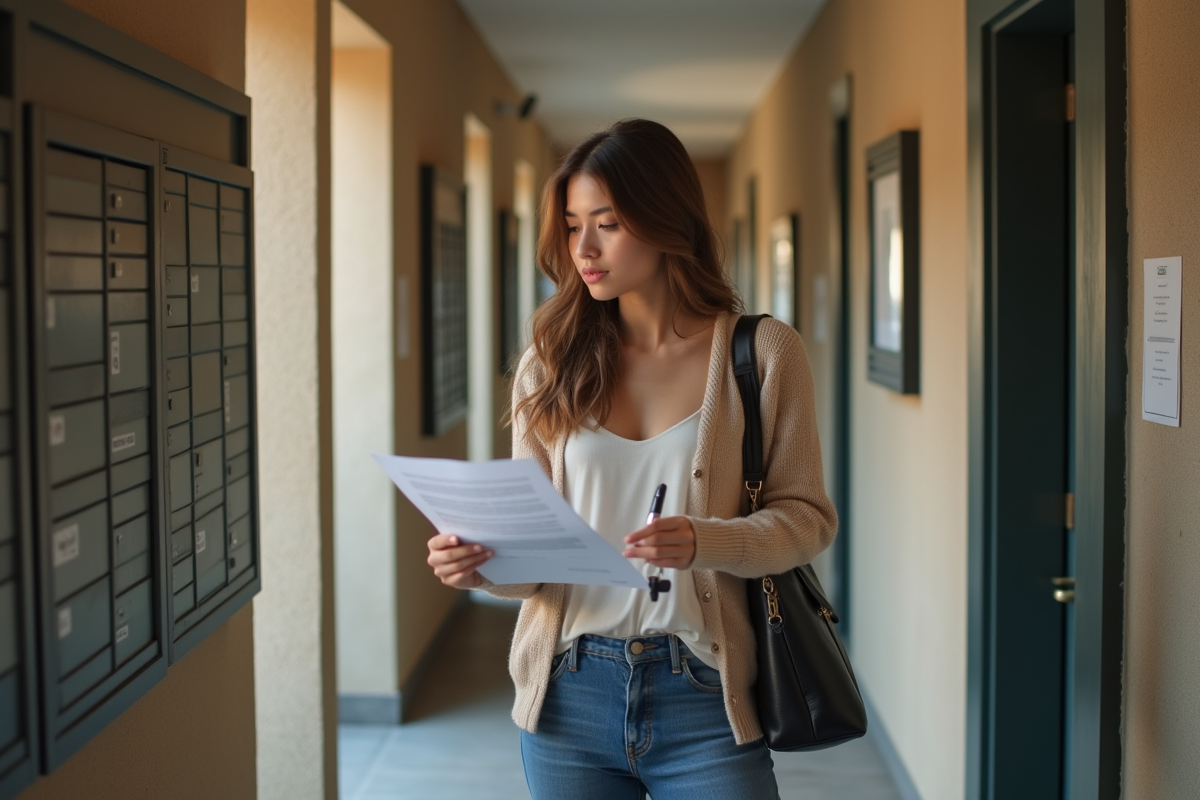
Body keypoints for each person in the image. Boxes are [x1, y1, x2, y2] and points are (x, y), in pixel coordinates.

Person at [426, 118, 838, 800]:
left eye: (607, 223)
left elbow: (806, 519)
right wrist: (477, 563)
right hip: (567, 696)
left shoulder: (762, 353)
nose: (582, 248)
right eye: (570, 223)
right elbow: (532, 556)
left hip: (705, 694)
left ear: (667, 220)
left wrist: (709, 541)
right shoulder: (549, 364)